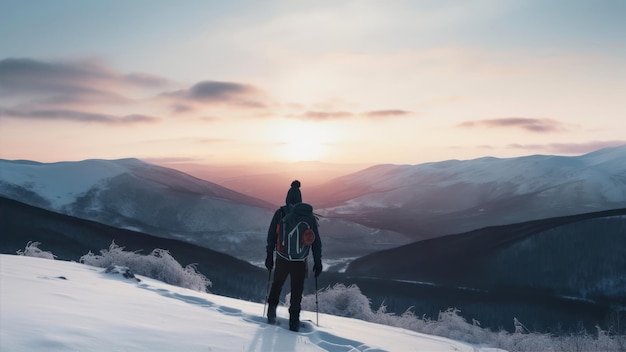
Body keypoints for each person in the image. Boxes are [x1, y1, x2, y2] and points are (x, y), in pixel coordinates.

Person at [265, 180, 322, 331]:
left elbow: (271, 236)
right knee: (297, 291)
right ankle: (294, 323)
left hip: (282, 259)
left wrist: (269, 256)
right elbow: (316, 241)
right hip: (300, 261)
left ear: (288, 198)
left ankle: (271, 315)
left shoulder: (281, 213)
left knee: (277, 285)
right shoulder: (309, 217)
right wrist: (318, 261)